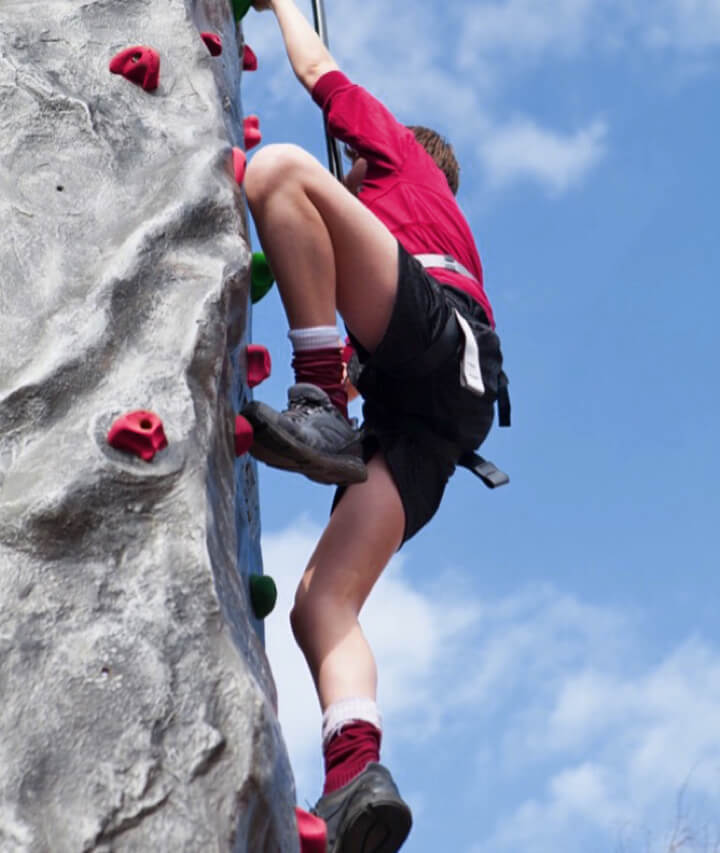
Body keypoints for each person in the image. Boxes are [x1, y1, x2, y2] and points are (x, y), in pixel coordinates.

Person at [243, 1, 507, 850]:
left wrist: (285, 5)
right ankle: (358, 770)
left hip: (436, 348)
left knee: (278, 170)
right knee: (321, 600)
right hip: (433, 421)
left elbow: (322, 74)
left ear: (368, 160)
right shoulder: (426, 226)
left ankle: (316, 397)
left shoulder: (394, 160)